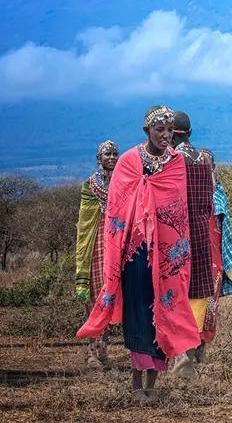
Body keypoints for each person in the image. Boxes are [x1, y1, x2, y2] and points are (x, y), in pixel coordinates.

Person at [77, 105, 200, 401]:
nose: (166, 136)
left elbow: (177, 210)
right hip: (135, 254)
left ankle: (152, 386)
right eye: (160, 130)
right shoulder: (129, 162)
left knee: (163, 312)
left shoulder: (175, 164)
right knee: (138, 317)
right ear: (147, 131)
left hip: (165, 257)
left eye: (170, 131)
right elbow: (117, 210)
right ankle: (136, 386)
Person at [171, 110, 216, 371]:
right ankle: (195, 346)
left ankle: (180, 352)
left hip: (175, 234)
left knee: (174, 291)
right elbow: (209, 198)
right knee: (198, 292)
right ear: (189, 133)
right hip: (201, 232)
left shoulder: (170, 159)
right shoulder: (205, 159)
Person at [74, 139, 119, 368]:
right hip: (96, 249)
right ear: (99, 158)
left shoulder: (124, 182)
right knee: (95, 300)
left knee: (112, 299)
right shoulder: (90, 186)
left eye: (114, 153)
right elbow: (84, 225)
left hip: (117, 247)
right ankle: (93, 353)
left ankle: (103, 353)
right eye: (107, 154)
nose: (111, 157)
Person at [198, 149, 232, 346]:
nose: (205, 169)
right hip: (192, 255)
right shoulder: (187, 192)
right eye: (200, 166)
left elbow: (225, 228)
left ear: (214, 168)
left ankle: (202, 344)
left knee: (211, 301)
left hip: (214, 256)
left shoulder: (219, 194)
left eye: (208, 165)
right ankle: (188, 345)